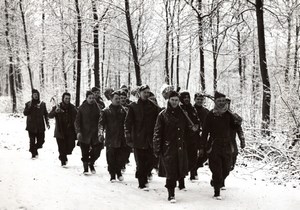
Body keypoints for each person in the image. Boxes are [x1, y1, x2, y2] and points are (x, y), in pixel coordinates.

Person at [153, 91, 189, 203]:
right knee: (171, 171)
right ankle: (171, 194)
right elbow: (157, 132)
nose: (174, 102)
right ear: (168, 100)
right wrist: (157, 148)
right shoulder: (162, 115)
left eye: (176, 100)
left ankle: (179, 185)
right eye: (172, 100)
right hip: (168, 148)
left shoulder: (183, 114)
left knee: (180, 169)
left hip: (181, 147)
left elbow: (187, 130)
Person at [124, 85, 160, 190]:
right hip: (138, 138)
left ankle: (143, 174)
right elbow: (128, 122)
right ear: (139, 93)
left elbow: (160, 118)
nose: (146, 94)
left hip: (150, 139)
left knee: (152, 160)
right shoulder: (133, 106)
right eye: (145, 92)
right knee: (140, 162)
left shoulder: (153, 106)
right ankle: (142, 183)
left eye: (148, 92)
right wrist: (128, 135)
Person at [202, 91, 235, 200]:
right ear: (215, 101)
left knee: (226, 169)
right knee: (216, 169)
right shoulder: (211, 115)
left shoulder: (229, 114)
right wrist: (203, 146)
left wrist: (237, 120)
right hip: (214, 144)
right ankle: (217, 192)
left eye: (223, 101)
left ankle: (216, 181)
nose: (221, 103)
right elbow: (205, 131)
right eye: (219, 101)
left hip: (227, 145)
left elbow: (235, 127)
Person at [99, 90, 127, 182]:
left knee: (120, 157)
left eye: (119, 98)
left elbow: (127, 123)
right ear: (111, 99)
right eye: (116, 99)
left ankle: (118, 172)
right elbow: (101, 124)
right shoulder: (106, 111)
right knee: (111, 157)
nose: (118, 100)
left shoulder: (123, 111)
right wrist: (100, 134)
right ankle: (112, 175)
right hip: (110, 138)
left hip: (121, 138)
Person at [75, 91, 103, 174]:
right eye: (90, 98)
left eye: (93, 98)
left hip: (95, 133)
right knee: (84, 151)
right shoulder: (82, 108)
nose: (91, 100)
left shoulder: (98, 107)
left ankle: (91, 162)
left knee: (97, 150)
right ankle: (86, 168)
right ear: (86, 98)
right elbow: (77, 121)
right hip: (84, 133)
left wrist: (101, 131)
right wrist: (78, 131)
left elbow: (101, 119)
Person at [48, 92, 77, 167]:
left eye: (69, 98)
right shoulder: (58, 106)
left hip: (70, 131)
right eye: (66, 98)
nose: (67, 100)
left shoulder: (72, 107)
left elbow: (77, 116)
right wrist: (55, 112)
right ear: (63, 99)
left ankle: (63, 155)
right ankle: (63, 160)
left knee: (71, 146)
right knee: (61, 147)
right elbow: (50, 115)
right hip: (60, 131)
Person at [179, 91, 202, 184]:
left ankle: (186, 173)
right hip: (182, 139)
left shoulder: (192, 109)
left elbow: (197, 121)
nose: (186, 99)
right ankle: (181, 181)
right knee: (182, 160)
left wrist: (196, 126)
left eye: (188, 97)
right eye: (184, 97)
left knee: (192, 160)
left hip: (192, 139)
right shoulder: (179, 109)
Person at [23, 89, 50, 159]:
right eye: (34, 94)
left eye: (37, 94)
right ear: (32, 95)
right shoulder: (28, 104)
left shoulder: (42, 104)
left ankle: (34, 149)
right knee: (32, 141)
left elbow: (46, 114)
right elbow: (25, 113)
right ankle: (33, 154)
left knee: (41, 142)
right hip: (31, 126)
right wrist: (29, 107)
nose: (36, 96)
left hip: (40, 126)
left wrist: (47, 123)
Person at [226, 98, 245, 170]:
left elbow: (239, 130)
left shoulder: (234, 116)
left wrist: (242, 140)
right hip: (221, 141)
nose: (226, 105)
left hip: (231, 141)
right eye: (225, 103)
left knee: (234, 155)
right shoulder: (217, 114)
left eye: (228, 104)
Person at [194, 93, 209, 168]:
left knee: (204, 154)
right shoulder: (191, 109)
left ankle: (195, 168)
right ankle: (193, 171)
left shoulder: (206, 111)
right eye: (198, 99)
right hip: (193, 135)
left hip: (203, 135)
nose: (199, 101)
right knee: (193, 153)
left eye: (201, 99)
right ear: (194, 100)